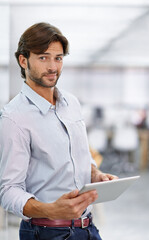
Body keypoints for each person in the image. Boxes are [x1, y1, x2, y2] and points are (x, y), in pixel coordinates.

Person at [0, 22, 117, 240]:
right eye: (43, 57)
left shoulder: (71, 103)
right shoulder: (14, 118)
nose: (53, 66)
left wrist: (96, 175)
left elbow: (81, 156)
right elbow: (8, 191)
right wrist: (49, 210)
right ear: (23, 60)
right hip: (45, 232)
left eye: (58, 58)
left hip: (88, 227)